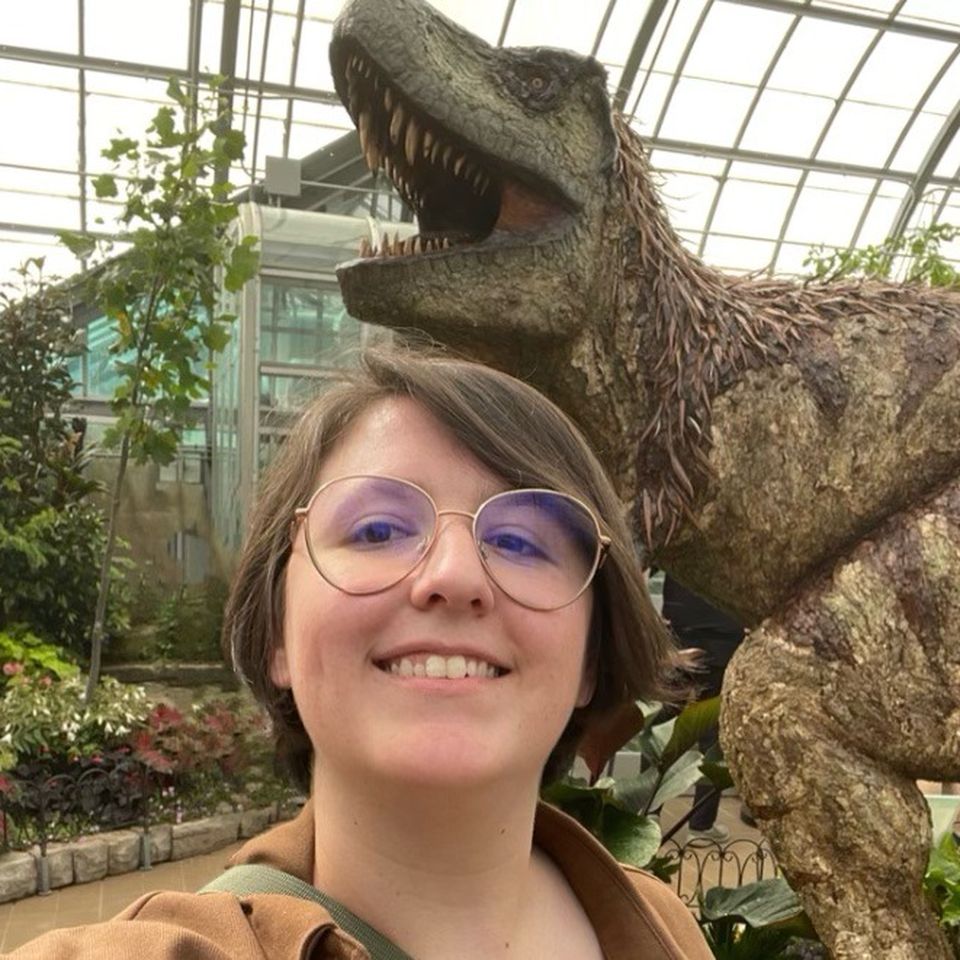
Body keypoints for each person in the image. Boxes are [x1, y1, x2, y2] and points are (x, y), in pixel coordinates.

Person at [10, 350, 711, 959]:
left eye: (519, 542)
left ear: (591, 656)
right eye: (378, 530)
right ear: (277, 632)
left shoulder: (661, 926)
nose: (454, 575)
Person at [661, 575, 745, 844]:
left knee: (663, 730)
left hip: (680, 635)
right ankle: (701, 824)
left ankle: (646, 812)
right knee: (711, 735)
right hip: (722, 637)